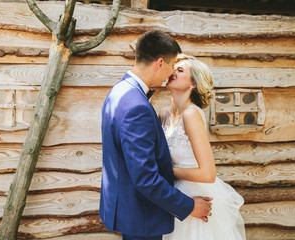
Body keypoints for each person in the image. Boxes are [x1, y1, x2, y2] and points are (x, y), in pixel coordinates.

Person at [100, 30, 213, 240]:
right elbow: (145, 177)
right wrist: (189, 206)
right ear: (160, 63)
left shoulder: (119, 91)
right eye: (172, 66)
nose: (171, 74)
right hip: (143, 213)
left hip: (135, 208)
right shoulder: (137, 106)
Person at [160, 54, 246, 240]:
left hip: (195, 194)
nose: (173, 71)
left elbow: (208, 174)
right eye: (173, 68)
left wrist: (169, 171)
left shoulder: (191, 114)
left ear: (193, 84)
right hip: (173, 195)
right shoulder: (164, 114)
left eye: (180, 70)